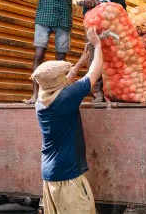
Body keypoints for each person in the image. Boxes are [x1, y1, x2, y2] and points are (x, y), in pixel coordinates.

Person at [32, 27, 102, 214]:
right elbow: (94, 74)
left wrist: (82, 60)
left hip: (50, 175)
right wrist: (98, 45)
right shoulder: (65, 99)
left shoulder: (42, 100)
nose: (67, 76)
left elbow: (67, 78)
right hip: (67, 177)